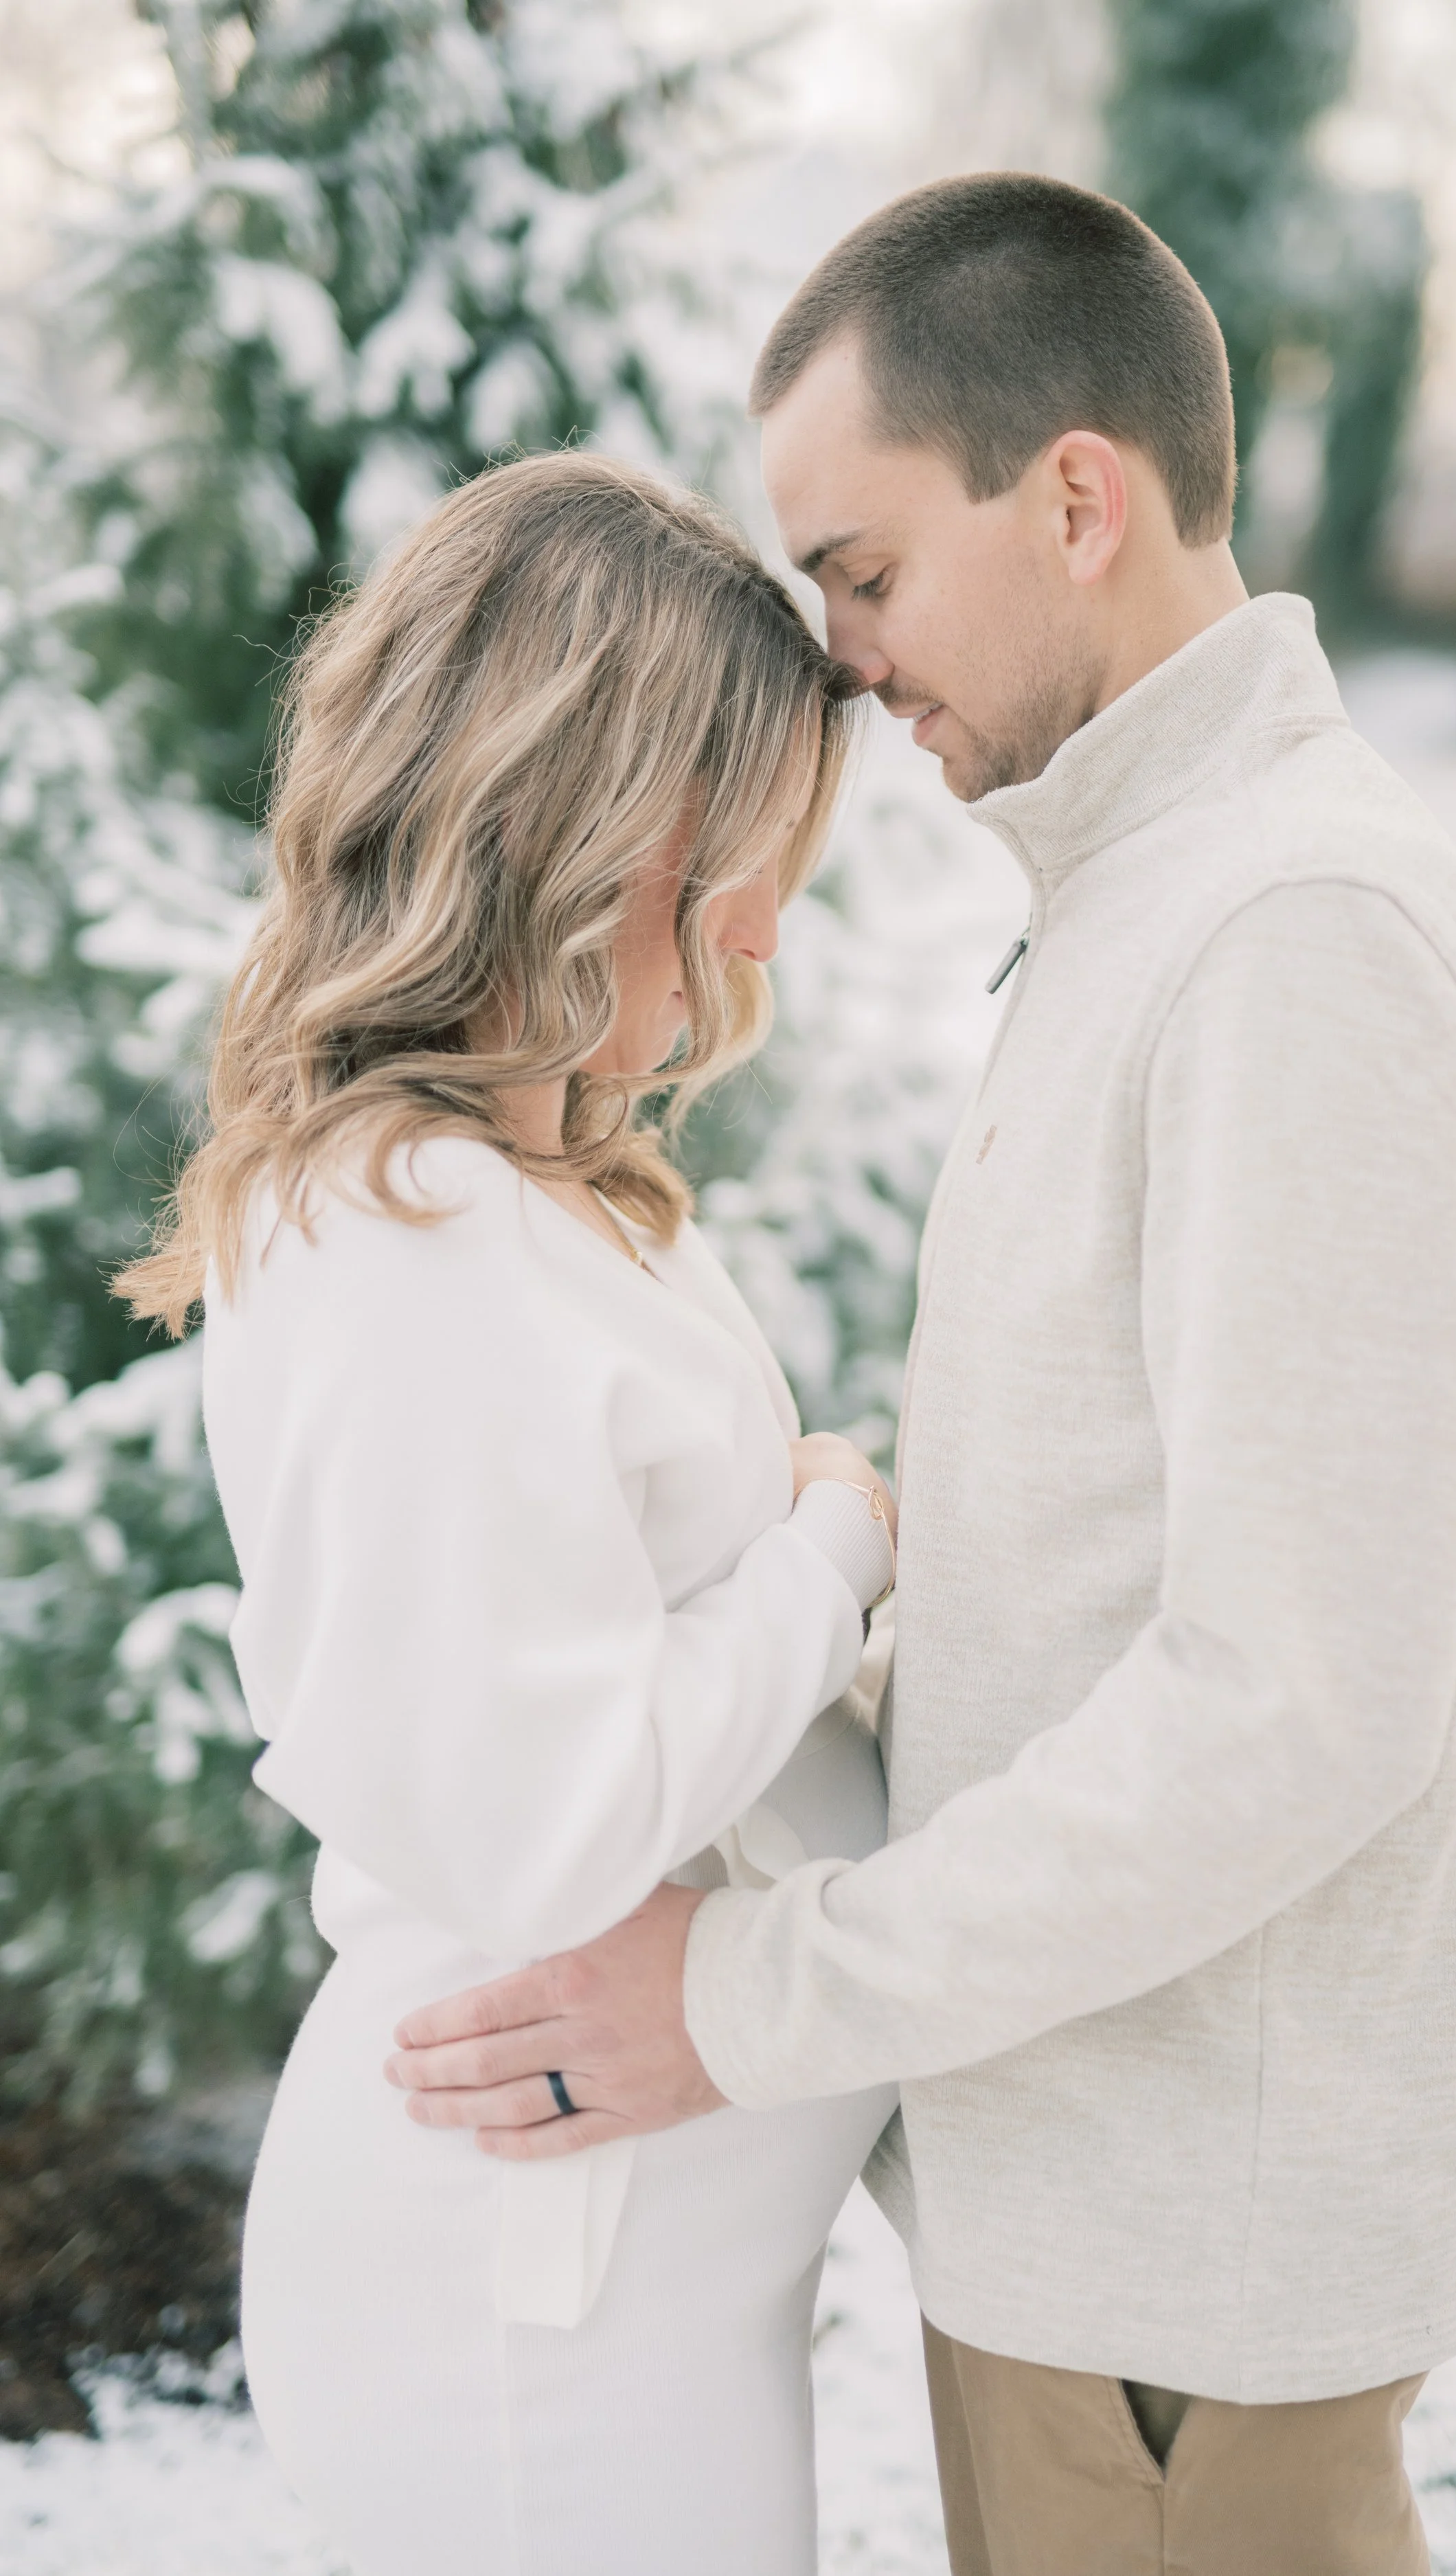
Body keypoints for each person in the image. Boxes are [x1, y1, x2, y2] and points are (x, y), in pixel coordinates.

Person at [387, 177, 1456, 2576]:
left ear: (1079, 496)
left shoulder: (1289, 937)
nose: (838, 657)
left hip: (1181, 2280)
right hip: (1084, 2218)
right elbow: (1109, 1582)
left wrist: (745, 1984)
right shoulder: (1144, 896)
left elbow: (1292, 1700)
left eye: (867, 571)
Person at [117, 452, 903, 2576]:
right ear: (588, 826)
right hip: (529, 2307)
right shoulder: (415, 1240)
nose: (759, 920)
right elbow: (550, 1817)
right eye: (734, 850)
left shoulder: (536, 1194)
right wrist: (836, 1545)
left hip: (630, 2275)